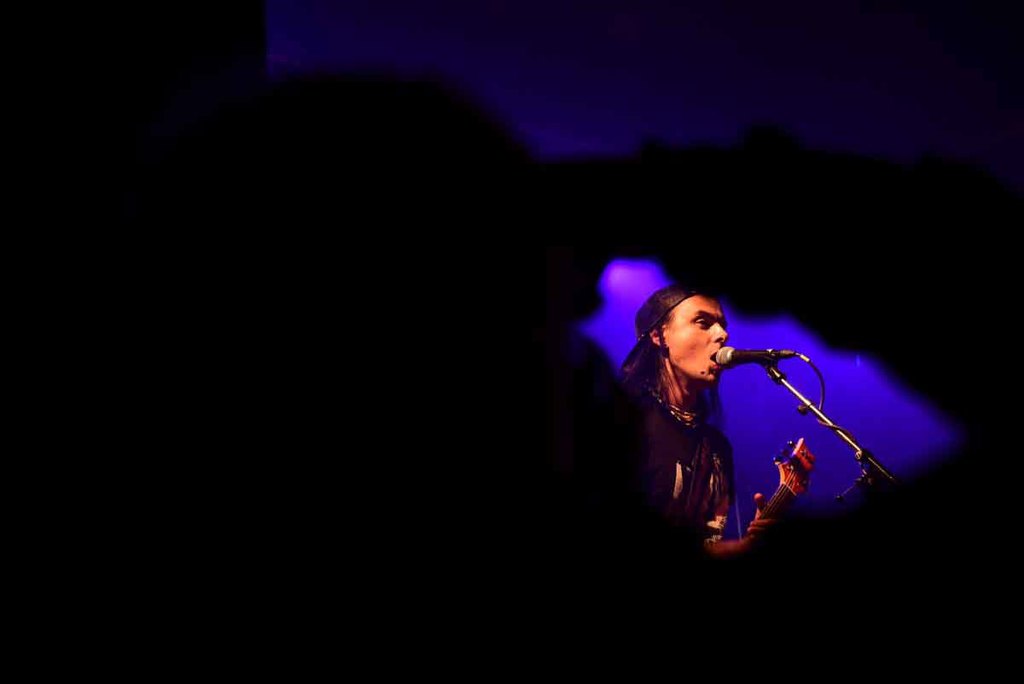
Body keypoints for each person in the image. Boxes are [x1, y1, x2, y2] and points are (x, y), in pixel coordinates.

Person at [619, 283, 814, 558]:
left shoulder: (717, 449)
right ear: (658, 336)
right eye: (703, 322)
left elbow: (709, 540)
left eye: (722, 325)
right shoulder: (624, 422)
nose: (723, 334)